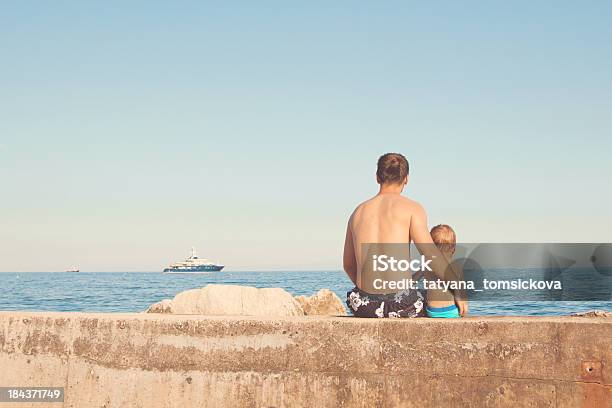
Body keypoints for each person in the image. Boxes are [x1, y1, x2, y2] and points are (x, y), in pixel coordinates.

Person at [343, 153, 467, 318]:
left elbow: (348, 264)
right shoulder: (412, 208)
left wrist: (370, 294)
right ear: (406, 179)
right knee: (438, 292)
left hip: (363, 305)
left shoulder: (357, 213)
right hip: (401, 305)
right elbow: (431, 255)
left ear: (377, 177)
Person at [425, 224, 463, 318]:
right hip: (451, 310)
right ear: (453, 248)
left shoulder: (428, 263)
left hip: (432, 311)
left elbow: (414, 279)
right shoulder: (455, 266)